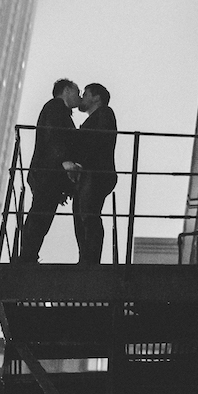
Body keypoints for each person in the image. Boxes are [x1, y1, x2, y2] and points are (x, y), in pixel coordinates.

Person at [16, 79, 80, 263]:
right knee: (40, 215)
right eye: (77, 91)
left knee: (42, 215)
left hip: (48, 173)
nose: (79, 96)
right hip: (48, 172)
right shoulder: (55, 106)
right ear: (66, 90)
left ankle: (28, 255)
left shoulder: (56, 108)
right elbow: (55, 135)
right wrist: (65, 161)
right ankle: (27, 255)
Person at [68, 82, 118, 265]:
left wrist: (80, 162)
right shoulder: (98, 116)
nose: (82, 97)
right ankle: (86, 258)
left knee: (88, 214)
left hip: (96, 172)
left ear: (96, 97)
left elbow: (98, 140)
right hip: (90, 172)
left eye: (86, 93)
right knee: (82, 216)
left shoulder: (105, 113)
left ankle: (90, 261)